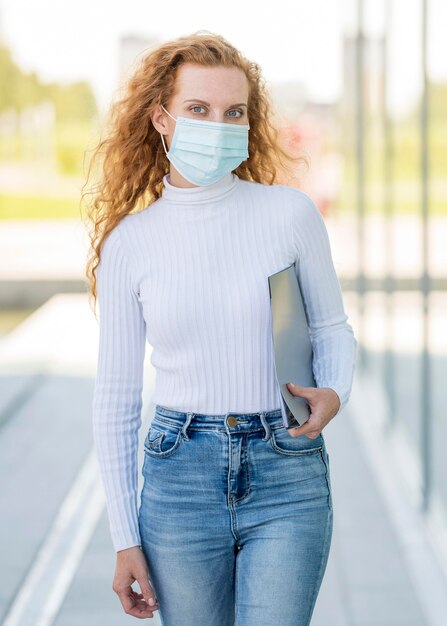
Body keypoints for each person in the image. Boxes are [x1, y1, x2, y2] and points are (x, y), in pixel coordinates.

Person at [84, 30, 357, 625]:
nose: (218, 124)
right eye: (198, 110)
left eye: (234, 112)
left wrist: (333, 391)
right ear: (161, 118)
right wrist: (124, 537)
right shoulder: (131, 244)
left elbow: (333, 328)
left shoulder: (290, 214)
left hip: (286, 468)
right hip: (179, 475)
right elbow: (115, 400)